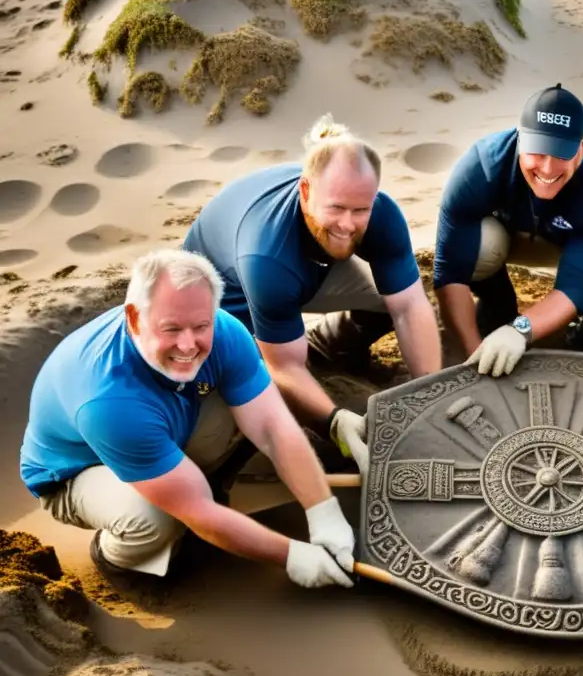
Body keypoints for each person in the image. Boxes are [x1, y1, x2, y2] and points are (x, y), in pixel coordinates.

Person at [19, 249, 370, 591]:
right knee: (155, 518)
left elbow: (272, 427)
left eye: (200, 325)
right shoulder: (107, 400)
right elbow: (198, 510)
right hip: (74, 473)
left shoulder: (224, 331)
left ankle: (195, 479)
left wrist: (324, 512)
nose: (188, 344)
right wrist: (292, 556)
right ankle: (116, 558)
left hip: (157, 426)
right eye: (171, 329)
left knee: (265, 397)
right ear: (134, 317)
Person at [182, 113, 441, 454]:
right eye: (336, 208)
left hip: (308, 266)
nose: (348, 224)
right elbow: (284, 366)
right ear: (305, 191)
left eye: (360, 210)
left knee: (390, 302)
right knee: (254, 387)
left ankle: (328, 346)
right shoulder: (267, 257)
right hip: (224, 294)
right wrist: (333, 421)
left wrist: (432, 396)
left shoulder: (380, 212)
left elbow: (409, 306)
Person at [432, 83, 583, 378]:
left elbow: (575, 286)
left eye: (562, 153)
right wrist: (473, 360)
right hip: (505, 237)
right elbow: (450, 274)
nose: (548, 169)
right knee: (477, 250)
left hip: (574, 242)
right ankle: (497, 304)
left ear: (582, 146)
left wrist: (520, 330)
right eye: (538, 151)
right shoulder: (480, 167)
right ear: (521, 139)